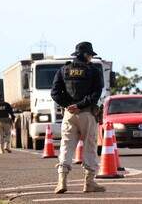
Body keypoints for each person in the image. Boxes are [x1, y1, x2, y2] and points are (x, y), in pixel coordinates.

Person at [51, 41, 105, 194]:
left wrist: (69, 105)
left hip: (69, 114)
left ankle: (61, 181)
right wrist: (80, 105)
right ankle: (89, 183)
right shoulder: (93, 71)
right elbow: (96, 94)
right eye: (90, 55)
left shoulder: (63, 70)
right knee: (90, 146)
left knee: (66, 146)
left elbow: (54, 92)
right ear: (87, 55)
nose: (91, 58)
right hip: (87, 113)